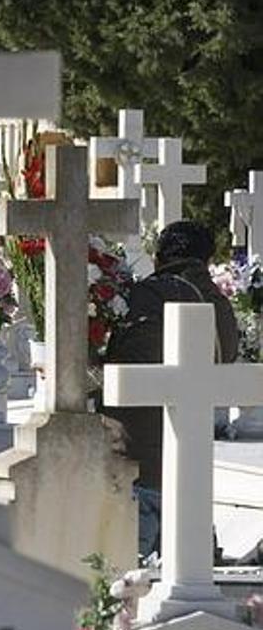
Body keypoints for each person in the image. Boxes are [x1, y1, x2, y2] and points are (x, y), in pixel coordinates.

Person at [102, 220, 238, 562]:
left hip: (136, 464)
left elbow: (123, 366)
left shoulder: (143, 297)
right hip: (190, 469)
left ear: (158, 257)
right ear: (207, 259)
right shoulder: (219, 307)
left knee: (123, 582)